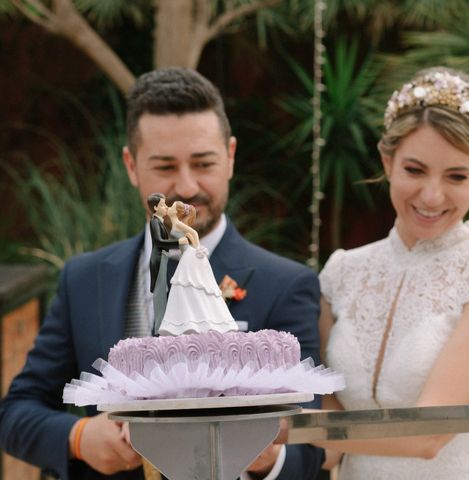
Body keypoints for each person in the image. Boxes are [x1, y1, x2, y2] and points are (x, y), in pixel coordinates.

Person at [0, 68, 324, 480]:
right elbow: (16, 411)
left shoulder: (287, 284)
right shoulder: (83, 279)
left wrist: (260, 456)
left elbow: (311, 448)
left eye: (203, 162)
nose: (186, 187)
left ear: (231, 157)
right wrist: (80, 437)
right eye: (165, 166)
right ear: (131, 165)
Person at [317, 67, 469, 478]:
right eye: (415, 170)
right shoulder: (342, 272)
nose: (432, 196)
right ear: (388, 161)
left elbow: (427, 435)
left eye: (456, 176)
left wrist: (283, 434)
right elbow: (328, 411)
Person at [158, 200, 238, 335]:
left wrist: (195, 248)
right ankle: (187, 321)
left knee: (189, 286)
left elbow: (193, 235)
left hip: (190, 256)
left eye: (171, 207)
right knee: (186, 288)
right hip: (187, 255)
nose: (169, 208)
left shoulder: (178, 224)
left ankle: (196, 320)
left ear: (176, 212)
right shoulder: (176, 224)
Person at [147, 192, 187, 333]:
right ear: (155, 208)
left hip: (163, 257)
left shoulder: (160, 222)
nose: (166, 207)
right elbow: (158, 242)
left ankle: (162, 327)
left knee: (163, 290)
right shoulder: (154, 222)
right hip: (159, 258)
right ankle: (159, 330)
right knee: (159, 292)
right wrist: (178, 243)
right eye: (163, 205)